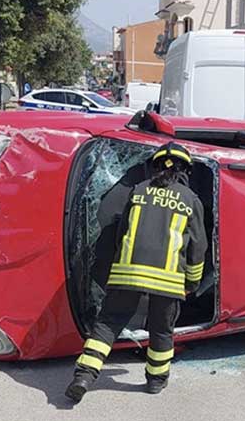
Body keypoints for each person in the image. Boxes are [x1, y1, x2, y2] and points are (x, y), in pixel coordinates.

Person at [65, 142, 208, 403]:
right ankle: (155, 381)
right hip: (168, 280)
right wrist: (193, 282)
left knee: (108, 324)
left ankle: (83, 376)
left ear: (154, 167)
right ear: (184, 170)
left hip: (126, 274)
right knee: (162, 330)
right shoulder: (191, 200)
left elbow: (122, 235)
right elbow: (198, 247)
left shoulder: (138, 190)